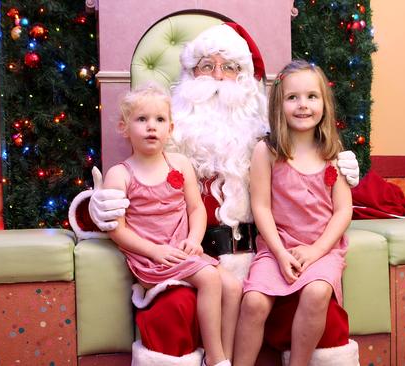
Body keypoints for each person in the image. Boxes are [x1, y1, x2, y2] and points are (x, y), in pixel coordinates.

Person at [88, 23, 361, 365]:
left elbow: (323, 194)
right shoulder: (169, 136)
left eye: (229, 68)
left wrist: (346, 167)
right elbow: (131, 189)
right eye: (206, 66)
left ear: (245, 78)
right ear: (189, 75)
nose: (217, 77)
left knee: (320, 312)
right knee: (173, 313)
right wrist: (102, 205)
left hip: (261, 258)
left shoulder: (269, 139)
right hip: (188, 260)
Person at [102, 85, 238, 366]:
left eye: (159, 120)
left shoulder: (179, 164)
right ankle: (214, 358)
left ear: (171, 127)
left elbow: (196, 208)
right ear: (124, 127)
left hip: (184, 250)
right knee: (211, 280)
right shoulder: (120, 174)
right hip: (152, 258)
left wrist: (195, 239)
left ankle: (227, 355)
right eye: (142, 119)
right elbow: (117, 229)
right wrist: (155, 251)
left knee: (234, 287)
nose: (151, 127)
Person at [234, 60, 358, 366]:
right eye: (293, 98)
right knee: (253, 302)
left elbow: (343, 210)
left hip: (322, 247)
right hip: (278, 245)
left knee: (317, 293)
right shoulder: (268, 151)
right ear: (280, 105)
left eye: (311, 97)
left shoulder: (332, 153)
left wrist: (316, 251)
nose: (303, 106)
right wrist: (279, 252)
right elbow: (261, 206)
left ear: (324, 104)